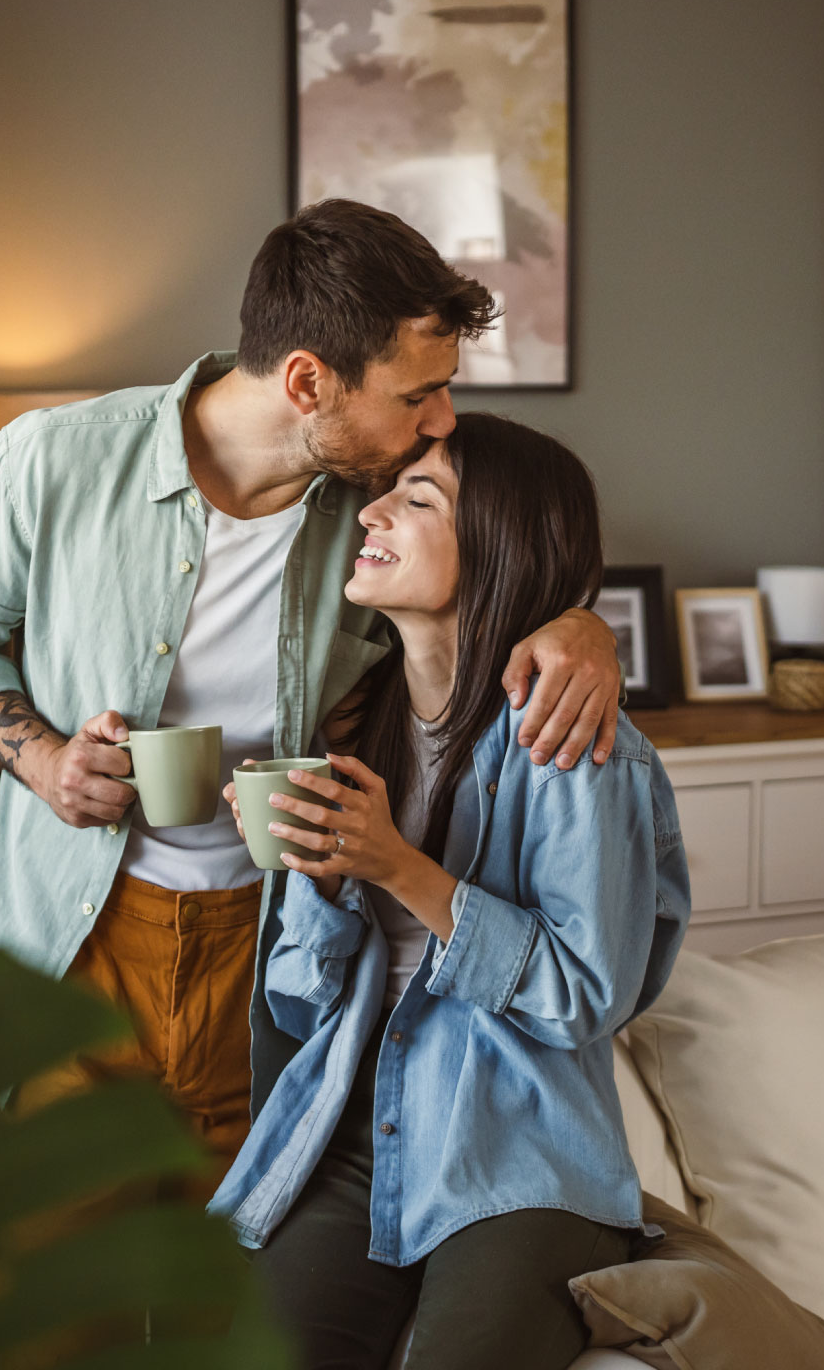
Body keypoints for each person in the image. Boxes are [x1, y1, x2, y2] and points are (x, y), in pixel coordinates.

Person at [0, 200, 625, 1167]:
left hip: (280, 950)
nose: (440, 420)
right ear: (308, 380)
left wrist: (580, 622)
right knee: (59, 1299)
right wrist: (42, 760)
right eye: (418, 395)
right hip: (74, 942)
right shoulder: (50, 462)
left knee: (241, 1298)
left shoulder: (376, 510)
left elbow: (500, 556)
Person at [212, 414, 691, 1370]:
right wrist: (315, 877)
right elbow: (305, 1001)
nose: (372, 511)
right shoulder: (359, 726)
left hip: (522, 1161)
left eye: (417, 497)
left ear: (501, 547)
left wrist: (400, 870)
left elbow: (586, 997)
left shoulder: (573, 748)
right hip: (354, 1136)